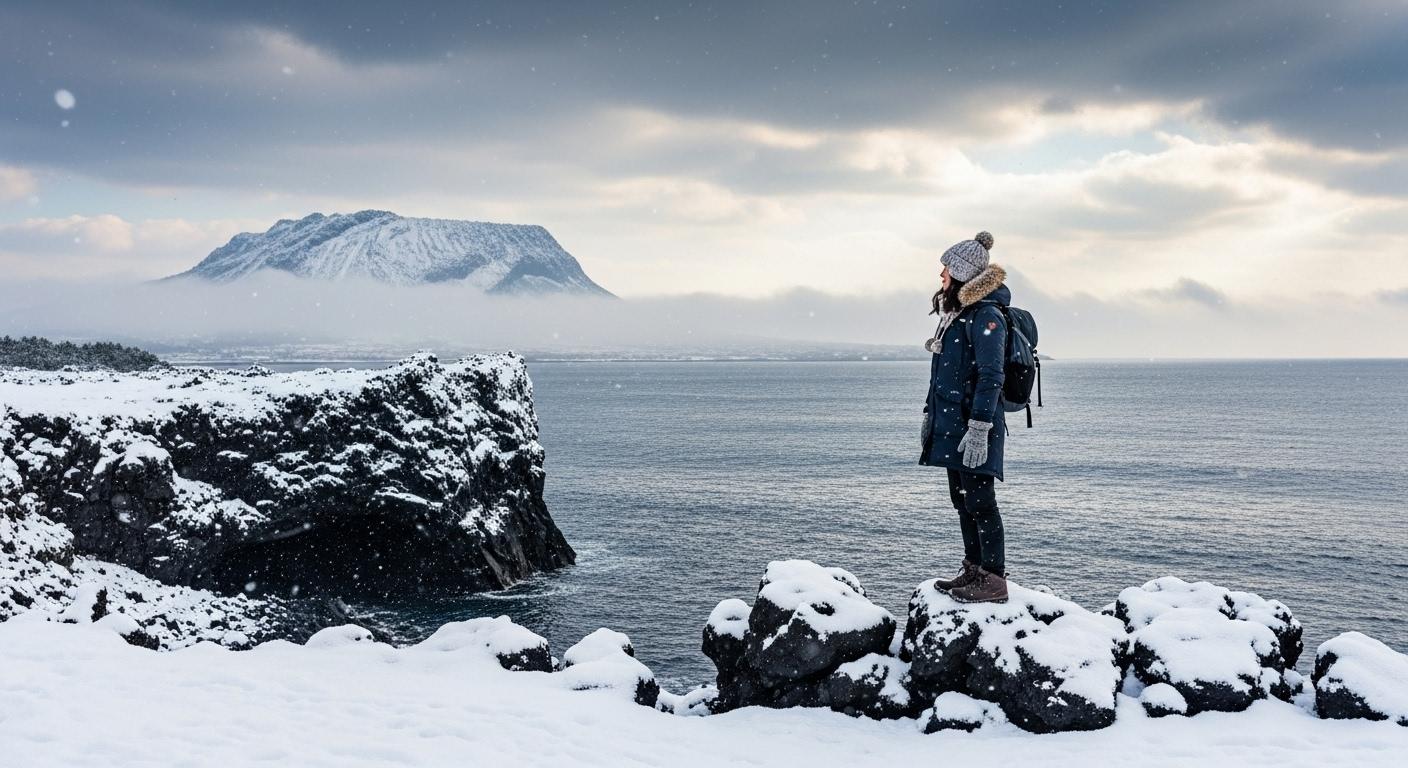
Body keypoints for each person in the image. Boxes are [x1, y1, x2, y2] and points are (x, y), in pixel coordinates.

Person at [919, 231, 1010, 603]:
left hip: (975, 425)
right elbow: (941, 371)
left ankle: (994, 578)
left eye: (946, 267)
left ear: (961, 273)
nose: (941, 273)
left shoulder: (986, 315)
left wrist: (979, 428)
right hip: (952, 424)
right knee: (961, 499)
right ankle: (974, 569)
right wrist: (930, 414)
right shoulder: (957, 315)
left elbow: (992, 376)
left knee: (980, 501)